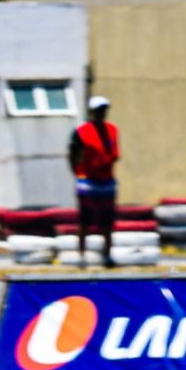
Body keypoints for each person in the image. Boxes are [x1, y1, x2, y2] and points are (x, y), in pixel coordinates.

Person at [68, 95, 121, 268]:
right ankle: (81, 256)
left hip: (106, 180)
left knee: (107, 221)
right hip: (87, 181)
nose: (101, 113)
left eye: (104, 110)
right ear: (92, 112)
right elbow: (72, 153)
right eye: (98, 110)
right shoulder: (82, 131)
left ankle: (107, 256)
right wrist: (77, 171)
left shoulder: (112, 130)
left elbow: (114, 153)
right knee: (85, 220)